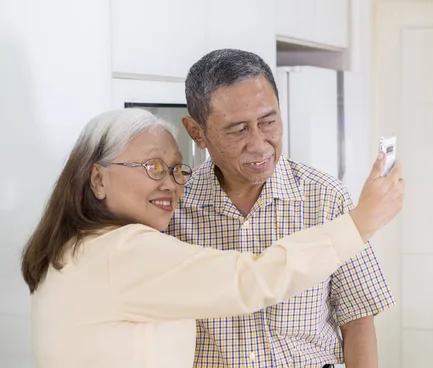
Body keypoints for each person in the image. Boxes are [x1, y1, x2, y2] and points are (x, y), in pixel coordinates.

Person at [21, 108, 404, 368]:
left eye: (175, 169)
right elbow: (251, 279)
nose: (170, 185)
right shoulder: (123, 251)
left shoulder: (79, 247)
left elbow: (357, 317)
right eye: (153, 166)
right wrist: (360, 223)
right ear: (98, 178)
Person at [170, 49, 399, 368]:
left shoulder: (324, 197)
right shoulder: (173, 210)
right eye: (238, 130)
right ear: (197, 132)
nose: (260, 144)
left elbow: (357, 318)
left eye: (269, 121)